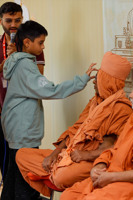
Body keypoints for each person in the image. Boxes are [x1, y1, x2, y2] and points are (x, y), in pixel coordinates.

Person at [0, 20, 97, 200]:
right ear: (27, 42)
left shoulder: (15, 62)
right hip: (23, 129)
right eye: (40, 42)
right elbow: (50, 90)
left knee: (12, 176)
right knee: (25, 181)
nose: (43, 46)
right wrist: (81, 80)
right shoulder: (26, 66)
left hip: (15, 126)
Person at [16, 51, 133, 198]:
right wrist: (55, 153)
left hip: (93, 160)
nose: (94, 82)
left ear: (108, 80)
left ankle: (53, 174)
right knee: (22, 155)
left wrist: (85, 155)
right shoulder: (95, 101)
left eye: (98, 78)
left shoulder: (122, 109)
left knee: (61, 177)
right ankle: (54, 170)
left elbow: (117, 148)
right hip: (71, 153)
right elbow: (75, 129)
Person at [0, 2, 45, 181]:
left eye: (17, 20)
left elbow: (39, 78)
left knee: (24, 164)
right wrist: (5, 64)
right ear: (1, 20)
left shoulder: (32, 46)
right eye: (8, 20)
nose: (13, 25)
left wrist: (19, 55)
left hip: (24, 116)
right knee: (6, 162)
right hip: (2, 109)